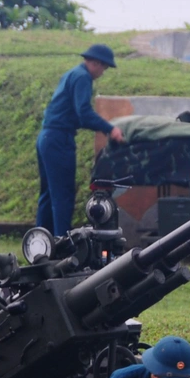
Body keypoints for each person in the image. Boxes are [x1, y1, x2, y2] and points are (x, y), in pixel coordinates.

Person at [36, 44, 124, 236]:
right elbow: (83, 113)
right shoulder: (83, 77)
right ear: (95, 63)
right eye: (104, 67)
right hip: (59, 140)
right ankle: (61, 243)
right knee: (63, 196)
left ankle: (41, 242)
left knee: (48, 196)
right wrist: (111, 129)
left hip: (46, 137)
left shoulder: (72, 74)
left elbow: (74, 114)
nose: (103, 72)